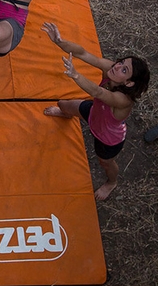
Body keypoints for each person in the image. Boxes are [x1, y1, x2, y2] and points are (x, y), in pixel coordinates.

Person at [42, 22, 150, 201]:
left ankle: (112, 182)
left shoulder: (123, 100)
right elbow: (82, 52)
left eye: (124, 70)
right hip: (94, 113)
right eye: (121, 62)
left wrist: (76, 75)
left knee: (105, 162)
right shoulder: (110, 69)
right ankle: (67, 115)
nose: (117, 66)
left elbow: (98, 92)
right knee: (62, 104)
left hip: (107, 137)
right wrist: (59, 42)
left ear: (129, 83)